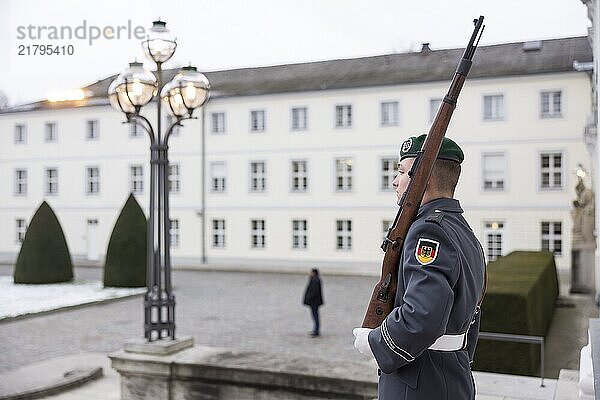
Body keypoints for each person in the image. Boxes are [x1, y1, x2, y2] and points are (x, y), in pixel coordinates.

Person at [353, 134, 486, 399]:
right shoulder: (462, 230)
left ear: (423, 179)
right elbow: (473, 313)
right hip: (450, 374)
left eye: (401, 172)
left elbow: (421, 317)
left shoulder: (428, 231)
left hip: (420, 384)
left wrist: (375, 342)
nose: (394, 181)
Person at [303, 268, 324, 337]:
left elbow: (314, 292)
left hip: (314, 302)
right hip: (315, 302)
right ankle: (315, 330)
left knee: (315, 316)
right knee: (315, 316)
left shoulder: (315, 280)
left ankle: (316, 330)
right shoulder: (316, 279)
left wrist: (309, 299)